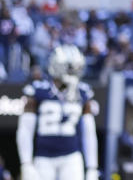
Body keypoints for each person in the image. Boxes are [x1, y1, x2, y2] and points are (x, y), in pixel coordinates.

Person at [17, 45, 98, 180]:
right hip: (43, 157)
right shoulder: (38, 90)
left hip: (71, 157)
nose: (75, 72)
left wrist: (92, 167)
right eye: (71, 68)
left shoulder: (83, 92)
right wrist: (26, 162)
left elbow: (89, 133)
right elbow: (25, 129)